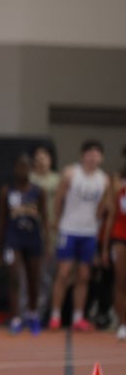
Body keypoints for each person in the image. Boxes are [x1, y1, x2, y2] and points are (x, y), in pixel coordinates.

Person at [48, 140, 111, 331]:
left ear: (101, 157)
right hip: (69, 229)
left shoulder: (104, 179)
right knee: (64, 273)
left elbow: (103, 207)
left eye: (96, 154)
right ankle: (55, 315)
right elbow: (58, 198)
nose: (93, 157)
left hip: (89, 232)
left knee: (84, 275)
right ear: (82, 155)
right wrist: (58, 221)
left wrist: (97, 224)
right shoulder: (71, 173)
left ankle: (78, 317)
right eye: (89, 153)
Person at [0, 154, 47, 335]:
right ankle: (16, 318)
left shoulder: (38, 192)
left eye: (26, 167)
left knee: (33, 279)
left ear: (31, 171)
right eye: (19, 167)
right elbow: (1, 220)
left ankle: (32, 314)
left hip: (32, 238)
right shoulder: (7, 191)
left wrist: (46, 242)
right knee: (15, 277)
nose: (22, 171)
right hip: (13, 238)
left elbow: (45, 219)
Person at [30, 145, 61, 315]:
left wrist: (56, 220)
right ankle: (25, 312)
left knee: (46, 275)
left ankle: (41, 313)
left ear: (50, 160)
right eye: (38, 157)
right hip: (29, 232)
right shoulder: (28, 179)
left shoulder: (57, 180)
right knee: (28, 274)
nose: (41, 161)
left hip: (50, 232)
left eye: (45, 157)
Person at [104, 146, 126, 341]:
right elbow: (110, 214)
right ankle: (122, 323)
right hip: (120, 236)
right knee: (120, 281)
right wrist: (104, 246)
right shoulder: (118, 181)